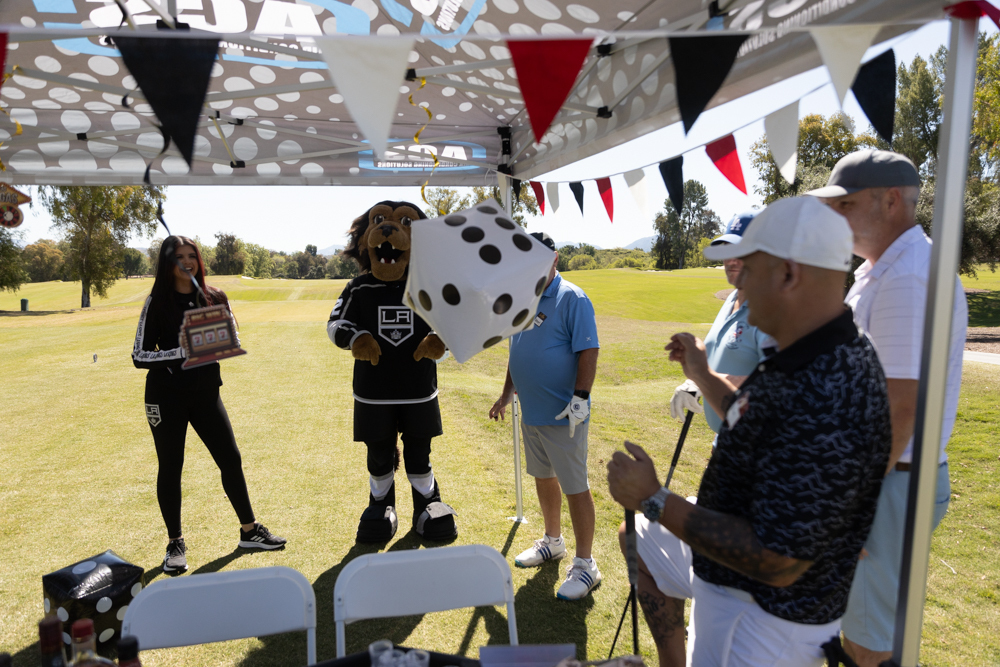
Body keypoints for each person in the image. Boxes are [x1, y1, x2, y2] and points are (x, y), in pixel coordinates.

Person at [607, 197, 891, 667]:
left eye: (750, 271)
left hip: (762, 628)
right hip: (738, 600)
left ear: (788, 274)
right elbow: (755, 418)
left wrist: (653, 499)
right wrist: (703, 374)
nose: (739, 286)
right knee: (640, 542)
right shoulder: (806, 354)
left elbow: (777, 559)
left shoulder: (828, 387)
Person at [807, 149, 968, 667]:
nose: (835, 217)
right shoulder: (886, 269)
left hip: (888, 482)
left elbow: (901, 406)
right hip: (886, 478)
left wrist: (852, 505)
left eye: (846, 204)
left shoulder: (908, 276)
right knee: (861, 630)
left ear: (891, 201)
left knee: (869, 644)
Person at [132, 236, 286, 573]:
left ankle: (249, 531)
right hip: (165, 397)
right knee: (171, 467)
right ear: (167, 263)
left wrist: (219, 341)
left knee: (230, 459)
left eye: (192, 256)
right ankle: (175, 543)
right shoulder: (156, 301)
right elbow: (139, 355)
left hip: (206, 393)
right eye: (179, 257)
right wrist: (183, 351)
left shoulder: (214, 296)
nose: (187, 262)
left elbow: (232, 338)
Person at [489, 232, 601, 600]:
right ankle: (553, 541)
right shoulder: (523, 299)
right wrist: (506, 393)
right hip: (532, 411)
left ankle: (586, 565)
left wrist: (581, 398)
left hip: (565, 414)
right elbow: (517, 354)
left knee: (575, 486)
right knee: (543, 477)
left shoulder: (572, 298)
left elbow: (588, 350)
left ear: (553, 258)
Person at [670, 210, 775, 431]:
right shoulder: (732, 299)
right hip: (727, 438)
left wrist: (705, 379)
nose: (732, 260)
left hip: (755, 442)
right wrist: (696, 382)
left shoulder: (771, 309)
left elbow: (777, 385)